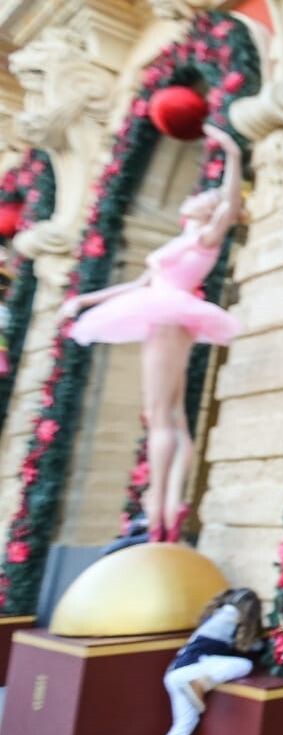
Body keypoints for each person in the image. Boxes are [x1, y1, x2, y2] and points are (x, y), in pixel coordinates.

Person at [62, 122, 244, 542]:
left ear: (207, 208)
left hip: (169, 315)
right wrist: (84, 300)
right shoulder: (181, 239)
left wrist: (231, 153)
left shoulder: (205, 236)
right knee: (173, 416)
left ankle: (158, 511)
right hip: (163, 309)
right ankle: (168, 505)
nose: (198, 194)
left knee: (159, 414)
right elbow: (137, 285)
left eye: (206, 195)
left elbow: (230, 204)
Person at [162, 587, 263, 735]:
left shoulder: (218, 614)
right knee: (244, 665)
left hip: (175, 674)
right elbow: (253, 647)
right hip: (189, 672)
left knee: (184, 725)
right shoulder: (229, 615)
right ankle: (201, 683)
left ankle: (198, 684)